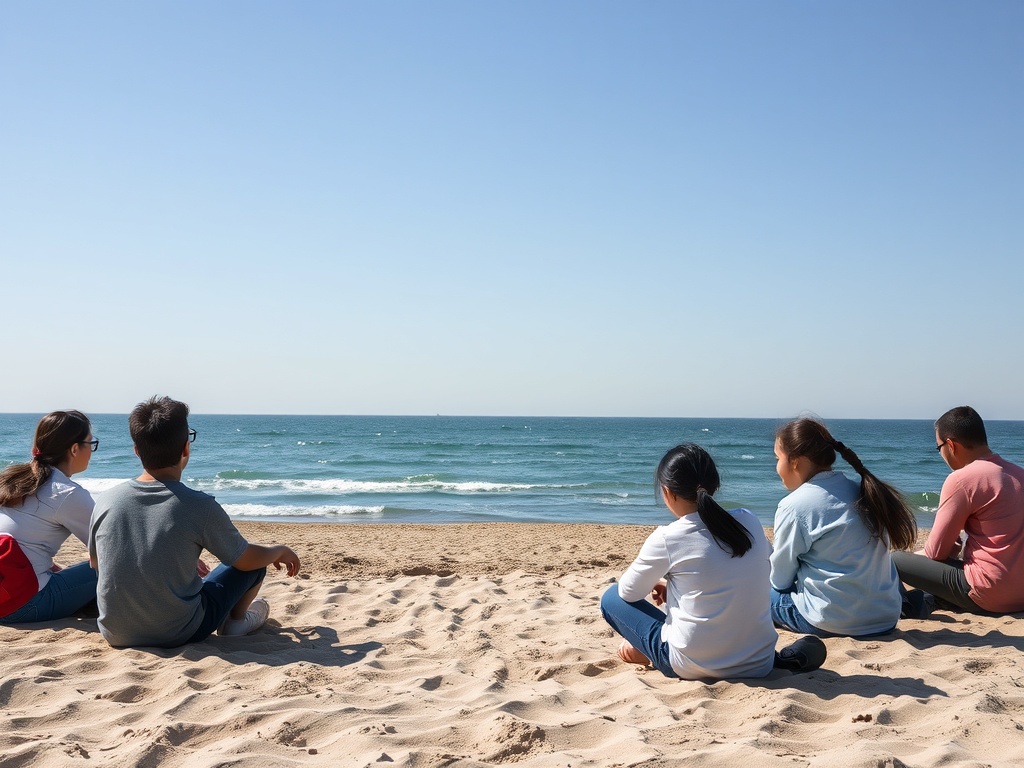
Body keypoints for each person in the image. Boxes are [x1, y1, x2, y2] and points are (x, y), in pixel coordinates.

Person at [89, 396, 301, 648]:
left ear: (136, 450)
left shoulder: (106, 500)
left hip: (116, 632)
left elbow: (96, 563)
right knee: (254, 565)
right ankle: (236, 623)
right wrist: (278, 551)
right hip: (180, 631)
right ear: (186, 448)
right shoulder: (198, 505)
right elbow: (244, 559)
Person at [600, 443, 825, 680]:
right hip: (759, 662)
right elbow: (745, 573)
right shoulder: (748, 520)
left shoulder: (667, 538)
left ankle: (647, 651)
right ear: (714, 484)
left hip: (691, 666)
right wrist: (674, 587)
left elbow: (628, 593)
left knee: (611, 597)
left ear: (667, 491)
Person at [770, 418, 917, 637]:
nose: (776, 467)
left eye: (777, 458)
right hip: (885, 618)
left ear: (796, 462)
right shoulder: (866, 492)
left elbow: (780, 580)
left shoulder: (795, 505)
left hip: (830, 621)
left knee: (759, 590)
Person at [893, 406, 1024, 616]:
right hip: (1021, 596)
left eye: (939, 448)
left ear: (951, 445)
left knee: (893, 560)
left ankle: (904, 608)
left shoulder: (962, 479)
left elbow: (936, 553)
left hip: (990, 594)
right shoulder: (1019, 473)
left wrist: (941, 548)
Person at [0, 410, 99, 624]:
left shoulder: (13, 480)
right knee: (113, 566)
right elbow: (111, 552)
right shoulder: (66, 493)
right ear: (75, 449)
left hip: (6, 591)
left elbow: (23, 540)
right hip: (23, 604)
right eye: (91, 443)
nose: (92, 450)